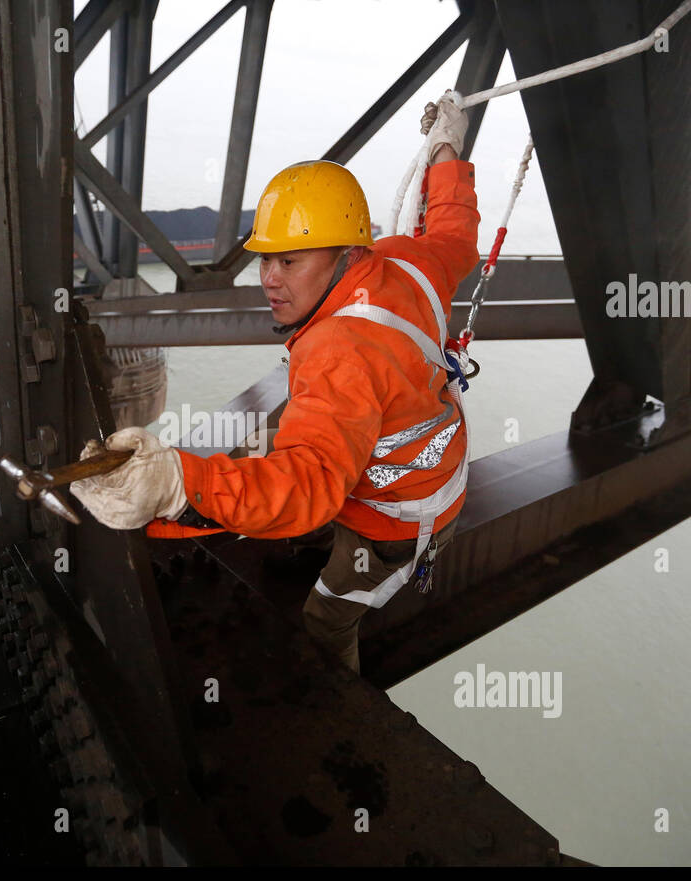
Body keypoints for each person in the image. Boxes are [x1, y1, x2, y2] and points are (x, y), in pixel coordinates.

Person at [70, 92, 479, 675]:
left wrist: (179, 484)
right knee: (292, 452)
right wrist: (446, 149)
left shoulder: (340, 353)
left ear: (346, 254)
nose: (269, 279)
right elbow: (455, 229)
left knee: (324, 620)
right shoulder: (408, 262)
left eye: (291, 261)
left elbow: (310, 487)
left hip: (398, 520)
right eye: (266, 259)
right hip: (432, 466)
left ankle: (342, 710)